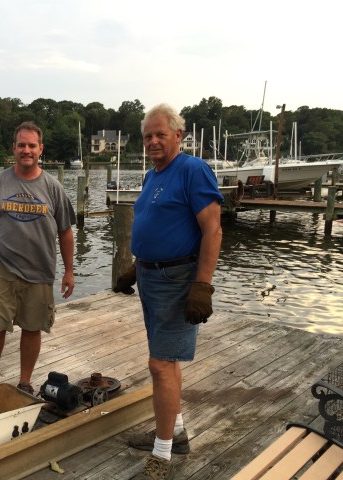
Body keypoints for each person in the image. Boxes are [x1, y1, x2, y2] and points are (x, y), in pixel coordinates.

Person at [121, 104, 223, 479]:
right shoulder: (153, 175)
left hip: (178, 281)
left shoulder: (193, 170)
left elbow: (213, 229)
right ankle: (174, 432)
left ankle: (162, 455)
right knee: (167, 360)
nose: (153, 141)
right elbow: (160, 224)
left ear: (178, 135)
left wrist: (203, 285)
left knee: (161, 365)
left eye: (160, 134)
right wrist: (136, 268)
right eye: (148, 136)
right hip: (151, 279)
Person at [0, 121, 76, 395]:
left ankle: (25, 382)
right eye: (21, 145)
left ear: (41, 149)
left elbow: (65, 232)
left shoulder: (53, 188)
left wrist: (69, 271)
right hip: (3, 268)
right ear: (13, 148)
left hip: (40, 271)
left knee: (32, 327)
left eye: (31, 145)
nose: (26, 150)